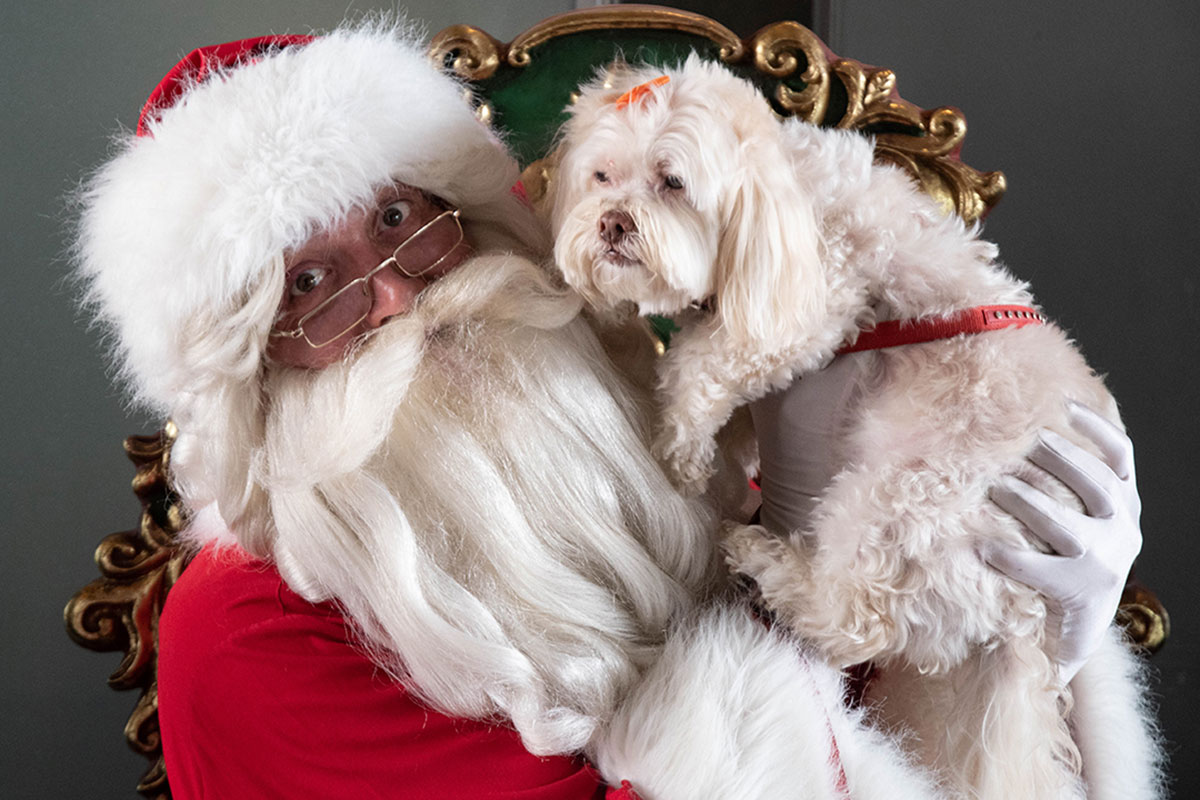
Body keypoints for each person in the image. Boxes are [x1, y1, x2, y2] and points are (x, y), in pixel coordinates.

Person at [74, 21, 1144, 800]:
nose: (397, 294)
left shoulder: (640, 431)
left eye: (402, 217)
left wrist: (1014, 639)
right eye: (310, 283)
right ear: (249, 363)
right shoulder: (245, 630)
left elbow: (875, 717)